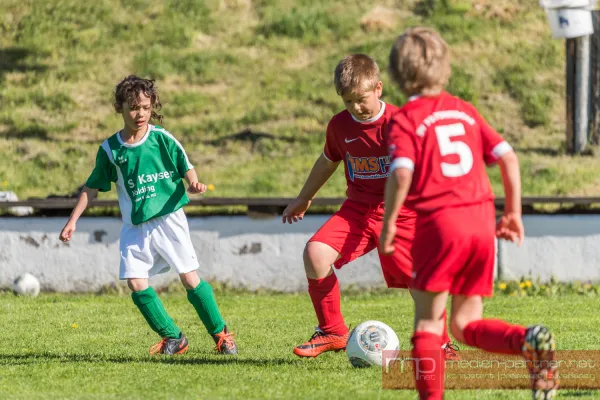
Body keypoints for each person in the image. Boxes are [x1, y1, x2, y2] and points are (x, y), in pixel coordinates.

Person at [380, 27, 557, 399]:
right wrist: (512, 212)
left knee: (429, 320)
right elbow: (508, 156)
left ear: (395, 76)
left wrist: (391, 221)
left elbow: (401, 172)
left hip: (441, 224)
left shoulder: (406, 119)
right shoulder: (464, 111)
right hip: (480, 223)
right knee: (464, 324)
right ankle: (526, 341)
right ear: (446, 70)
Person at [282, 54, 457, 360]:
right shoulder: (339, 125)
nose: (355, 108)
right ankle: (333, 331)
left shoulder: (403, 123)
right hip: (358, 211)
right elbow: (327, 162)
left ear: (379, 88)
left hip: (403, 213)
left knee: (421, 280)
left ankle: (440, 345)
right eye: (347, 101)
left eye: (361, 99)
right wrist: (303, 197)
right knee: (315, 253)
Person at [59, 75, 237, 356]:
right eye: (132, 107)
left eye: (144, 106)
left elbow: (185, 165)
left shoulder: (162, 138)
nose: (139, 113)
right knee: (135, 281)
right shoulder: (110, 150)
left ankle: (222, 335)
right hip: (135, 225)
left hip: (169, 219)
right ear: (119, 108)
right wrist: (73, 220)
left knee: (189, 278)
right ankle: (174, 337)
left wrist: (193, 182)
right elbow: (92, 188)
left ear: (152, 104)